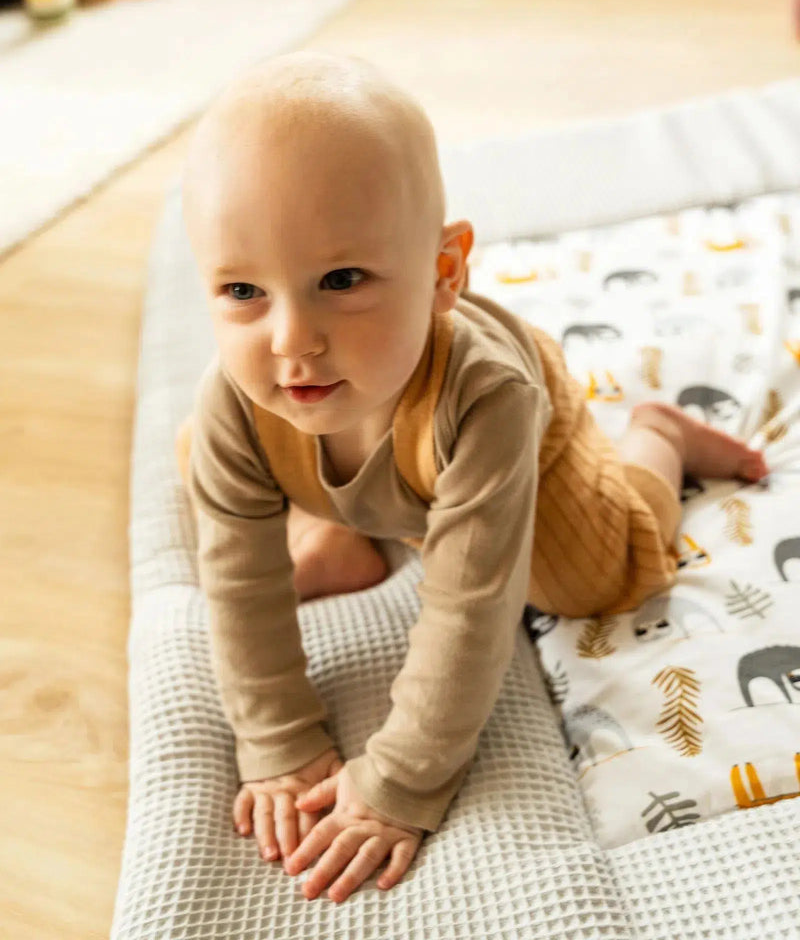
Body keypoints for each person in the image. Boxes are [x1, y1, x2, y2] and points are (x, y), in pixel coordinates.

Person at [176, 50, 769, 904]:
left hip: (521, 452)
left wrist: (402, 779)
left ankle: (656, 435)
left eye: (341, 281)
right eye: (242, 290)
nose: (291, 339)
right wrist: (275, 737)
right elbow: (235, 577)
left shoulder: (489, 396)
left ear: (445, 273)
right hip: (361, 443)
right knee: (202, 451)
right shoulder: (250, 391)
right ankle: (350, 521)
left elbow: (468, 607)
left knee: (599, 576)